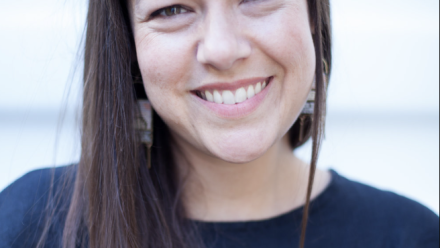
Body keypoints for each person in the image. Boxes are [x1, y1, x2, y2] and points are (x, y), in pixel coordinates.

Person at [0, 0, 438, 247]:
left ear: (312, 16)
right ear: (130, 52)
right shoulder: (27, 226)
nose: (222, 49)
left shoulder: (411, 236)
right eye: (172, 9)